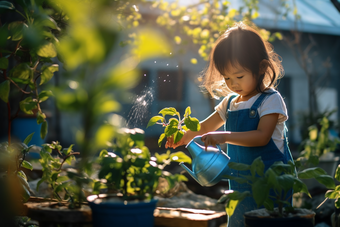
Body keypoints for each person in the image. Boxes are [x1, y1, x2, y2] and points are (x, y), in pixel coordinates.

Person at [165, 22, 294, 227]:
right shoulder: (230, 103)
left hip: (271, 181)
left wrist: (224, 137)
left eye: (239, 76)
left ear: (261, 68)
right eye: (226, 77)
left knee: (269, 221)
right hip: (240, 183)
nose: (233, 84)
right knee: (239, 221)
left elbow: (262, 136)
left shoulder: (270, 100)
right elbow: (205, 127)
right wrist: (185, 135)